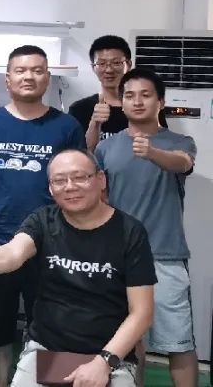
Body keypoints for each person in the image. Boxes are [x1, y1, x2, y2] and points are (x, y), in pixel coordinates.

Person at [0, 149, 156, 387]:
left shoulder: (130, 232)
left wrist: (104, 362)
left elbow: (142, 313)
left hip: (110, 356)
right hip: (46, 350)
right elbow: (14, 252)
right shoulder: (43, 220)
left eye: (80, 177)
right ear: (51, 189)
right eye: (59, 181)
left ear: (101, 180)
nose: (70, 187)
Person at [0, 45, 85, 387]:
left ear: (47, 77)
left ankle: (44, 381)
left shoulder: (66, 125)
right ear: (8, 79)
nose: (29, 76)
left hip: (52, 245)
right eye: (21, 70)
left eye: (37, 70)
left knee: (51, 331)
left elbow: (80, 177)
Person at [96, 68, 198, 387]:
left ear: (160, 102)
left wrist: (151, 152)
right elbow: (100, 197)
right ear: (122, 103)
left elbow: (183, 163)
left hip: (165, 256)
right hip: (118, 258)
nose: (137, 101)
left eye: (146, 94)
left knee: (179, 342)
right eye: (129, 95)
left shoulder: (180, 142)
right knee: (129, 341)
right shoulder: (107, 148)